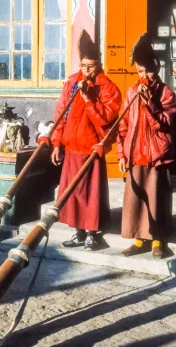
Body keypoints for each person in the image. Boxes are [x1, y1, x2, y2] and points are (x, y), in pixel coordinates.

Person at [47, 30, 122, 251]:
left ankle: (92, 233)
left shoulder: (107, 87)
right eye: (83, 66)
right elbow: (60, 114)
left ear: (99, 66)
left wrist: (89, 99)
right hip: (72, 147)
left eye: (91, 67)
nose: (86, 72)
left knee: (91, 194)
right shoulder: (72, 83)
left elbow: (106, 119)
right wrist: (57, 143)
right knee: (73, 192)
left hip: (92, 149)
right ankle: (78, 231)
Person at [117, 33, 176, 259]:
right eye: (140, 72)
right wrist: (121, 153)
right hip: (135, 153)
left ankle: (158, 241)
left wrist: (149, 103)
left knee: (156, 198)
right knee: (136, 199)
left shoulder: (166, 94)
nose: (144, 76)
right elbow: (122, 126)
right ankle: (139, 238)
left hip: (156, 154)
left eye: (148, 71)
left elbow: (163, 124)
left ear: (157, 68)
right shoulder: (131, 92)